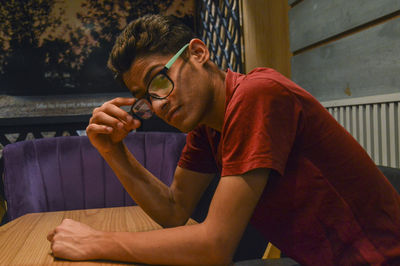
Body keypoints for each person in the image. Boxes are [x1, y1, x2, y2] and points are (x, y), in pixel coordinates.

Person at [47, 14, 400, 265]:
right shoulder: (207, 127)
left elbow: (214, 247)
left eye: (159, 80)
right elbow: (173, 211)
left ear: (198, 53)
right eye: (146, 96)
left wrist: (96, 242)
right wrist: (113, 152)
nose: (159, 103)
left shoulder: (258, 94)